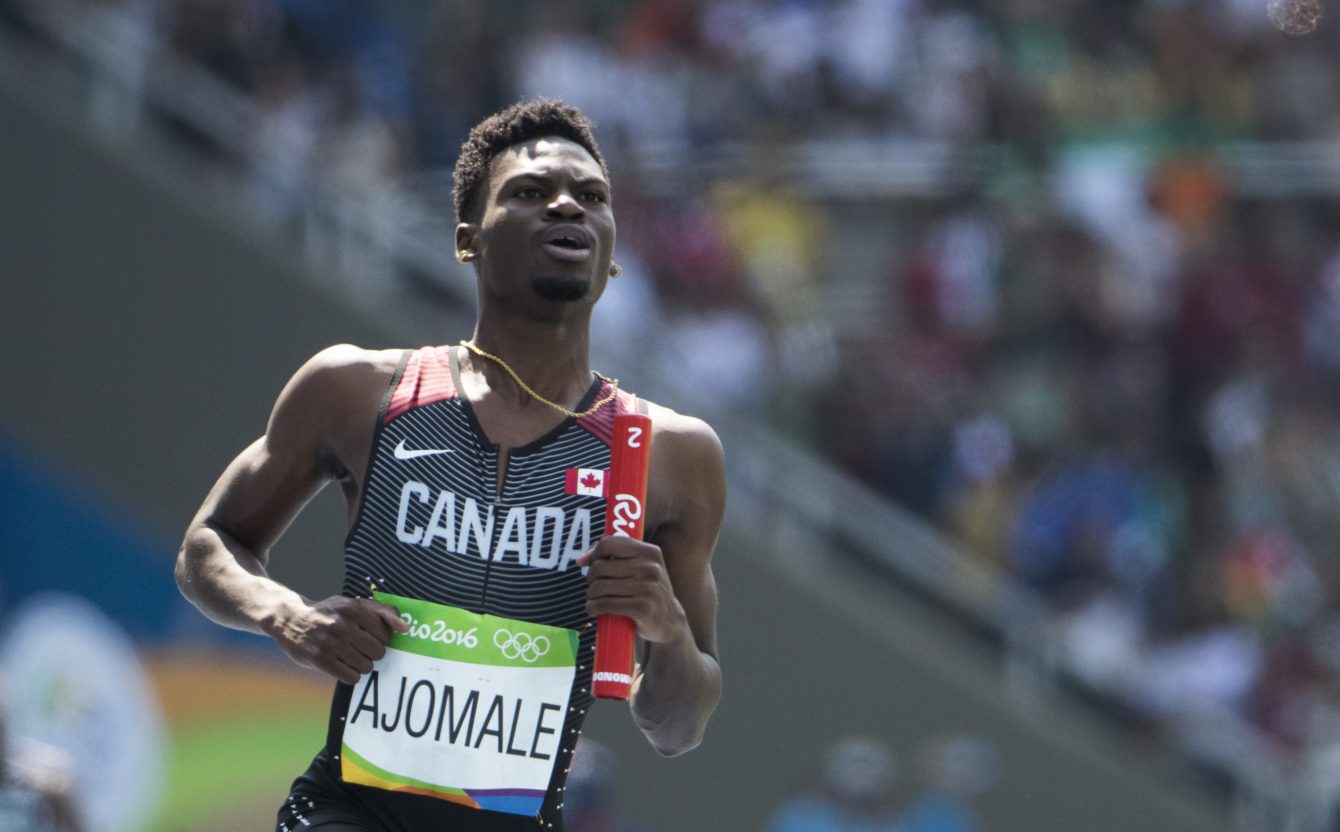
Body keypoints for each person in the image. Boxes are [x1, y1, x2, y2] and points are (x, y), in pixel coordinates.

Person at [175, 98, 725, 831]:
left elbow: (677, 727)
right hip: (348, 812)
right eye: (530, 192)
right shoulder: (357, 390)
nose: (568, 204)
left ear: (613, 249)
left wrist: (667, 630)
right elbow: (207, 545)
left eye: (591, 197)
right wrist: (290, 618)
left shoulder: (669, 453)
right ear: (468, 239)